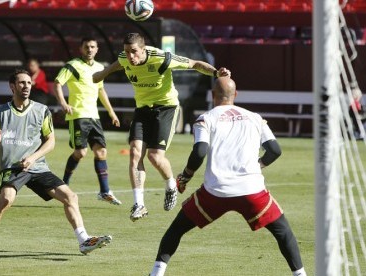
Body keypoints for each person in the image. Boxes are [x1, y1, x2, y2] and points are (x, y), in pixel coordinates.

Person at [149, 77, 306, 276]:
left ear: (213, 95)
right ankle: (300, 274)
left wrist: (186, 176)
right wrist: (258, 165)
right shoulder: (255, 117)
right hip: (252, 191)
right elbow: (275, 150)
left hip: (215, 192)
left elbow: (199, 152)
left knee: (176, 229)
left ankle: (156, 273)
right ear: (236, 95)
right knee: (283, 232)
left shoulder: (206, 118)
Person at [0, 69, 112, 257]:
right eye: (22, 83)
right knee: (6, 200)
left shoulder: (41, 110)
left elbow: (51, 141)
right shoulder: (1, 112)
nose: (26, 86)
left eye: (29, 83)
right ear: (12, 87)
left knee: (70, 197)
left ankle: (84, 240)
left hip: (37, 167)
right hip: (13, 168)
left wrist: (32, 158)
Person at [93, 32, 231, 221]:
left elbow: (194, 63)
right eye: (127, 51)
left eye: (134, 52)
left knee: (155, 157)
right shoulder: (125, 58)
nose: (130, 56)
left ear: (143, 49)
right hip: (142, 109)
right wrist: (102, 73)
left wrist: (216, 73)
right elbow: (119, 63)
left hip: (166, 108)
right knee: (134, 153)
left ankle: (171, 185)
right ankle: (139, 204)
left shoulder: (161, 58)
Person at [54, 37, 122, 205]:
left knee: (101, 152)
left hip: (94, 116)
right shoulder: (72, 65)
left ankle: (105, 191)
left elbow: (101, 90)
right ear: (81, 49)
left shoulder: (99, 68)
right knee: (81, 153)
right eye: (86, 47)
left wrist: (112, 113)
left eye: (92, 47)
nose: (89, 49)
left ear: (97, 49)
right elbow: (57, 83)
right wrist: (63, 103)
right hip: (78, 115)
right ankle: (63, 185)